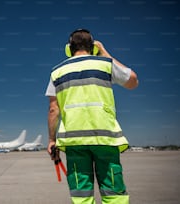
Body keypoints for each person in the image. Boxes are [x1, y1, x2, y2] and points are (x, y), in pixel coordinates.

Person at [45, 29, 138, 204]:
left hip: (74, 141)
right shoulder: (104, 65)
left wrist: (51, 140)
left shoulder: (57, 72)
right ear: (93, 47)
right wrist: (104, 53)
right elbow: (133, 81)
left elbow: (53, 109)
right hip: (104, 138)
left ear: (68, 48)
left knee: (81, 194)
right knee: (113, 191)